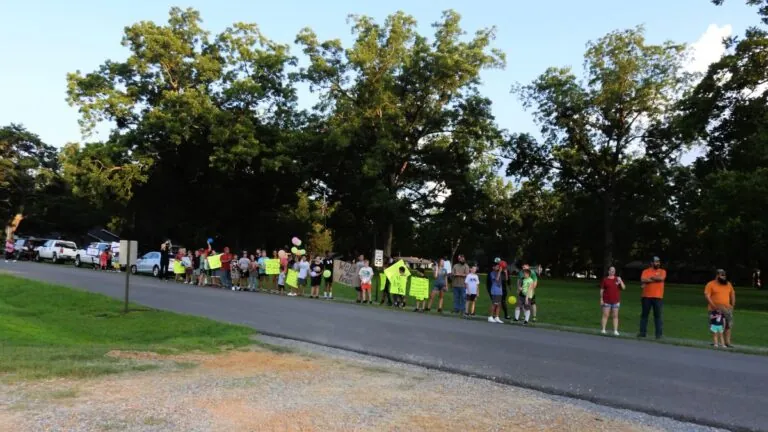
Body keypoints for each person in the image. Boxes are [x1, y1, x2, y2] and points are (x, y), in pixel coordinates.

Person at [705, 269, 736, 348]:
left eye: (724, 275)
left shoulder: (728, 284)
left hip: (727, 308)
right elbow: (707, 296)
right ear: (717, 275)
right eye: (722, 275)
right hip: (715, 309)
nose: (724, 277)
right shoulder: (710, 284)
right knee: (716, 325)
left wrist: (732, 305)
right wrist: (713, 306)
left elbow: (732, 293)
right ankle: (717, 342)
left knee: (728, 325)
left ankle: (727, 342)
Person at [638, 256, 667, 339]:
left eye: (658, 262)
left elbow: (661, 278)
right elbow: (643, 280)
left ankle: (658, 334)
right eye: (656, 262)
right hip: (646, 296)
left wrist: (650, 279)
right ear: (651, 263)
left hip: (658, 297)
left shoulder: (662, 271)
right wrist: (654, 279)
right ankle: (642, 333)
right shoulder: (646, 271)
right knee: (644, 315)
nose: (657, 263)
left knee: (658, 316)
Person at [600, 266, 626, 335]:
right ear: (608, 271)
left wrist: (621, 281)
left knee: (615, 316)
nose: (612, 271)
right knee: (605, 315)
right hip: (606, 300)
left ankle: (615, 331)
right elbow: (602, 290)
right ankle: (603, 329)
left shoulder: (617, 279)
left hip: (616, 301)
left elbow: (623, 288)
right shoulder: (605, 279)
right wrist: (601, 299)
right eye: (611, 270)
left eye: (614, 270)